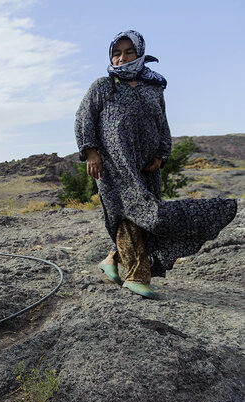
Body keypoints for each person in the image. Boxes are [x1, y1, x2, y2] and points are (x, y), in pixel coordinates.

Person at [74, 30, 237, 298]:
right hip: (113, 165)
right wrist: (91, 153)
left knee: (148, 215)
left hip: (146, 167)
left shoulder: (153, 88)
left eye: (129, 52)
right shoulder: (103, 85)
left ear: (139, 53)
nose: (122, 57)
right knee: (130, 213)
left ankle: (112, 259)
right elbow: (83, 119)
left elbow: (162, 124)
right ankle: (138, 276)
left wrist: (161, 155)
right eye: (117, 53)